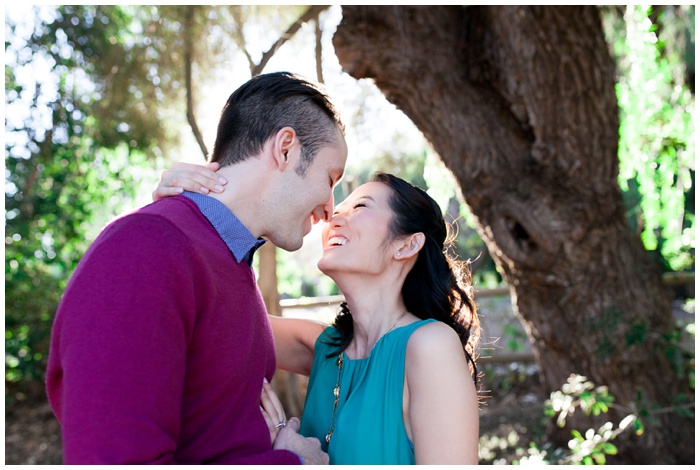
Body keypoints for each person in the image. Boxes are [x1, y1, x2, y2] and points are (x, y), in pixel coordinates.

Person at [45, 71, 348, 464]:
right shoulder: (146, 248)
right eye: (330, 178)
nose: (330, 208)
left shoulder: (227, 266)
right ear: (286, 149)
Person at [155, 167, 481, 464]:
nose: (333, 220)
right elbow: (197, 312)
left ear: (407, 245)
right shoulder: (324, 348)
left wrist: (292, 460)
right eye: (337, 211)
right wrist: (179, 211)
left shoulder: (430, 346)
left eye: (361, 207)